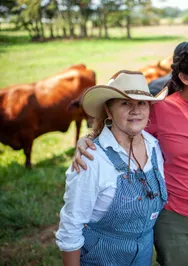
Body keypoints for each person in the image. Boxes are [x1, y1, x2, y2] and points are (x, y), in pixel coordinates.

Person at [72, 40, 188, 266]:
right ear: (185, 78)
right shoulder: (160, 110)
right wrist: (88, 140)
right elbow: (124, 130)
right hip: (171, 218)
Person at [56, 71, 168, 266]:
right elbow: (71, 226)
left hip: (143, 254)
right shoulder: (91, 159)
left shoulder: (154, 147)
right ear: (109, 110)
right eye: (125, 103)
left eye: (141, 103)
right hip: (102, 256)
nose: (136, 110)